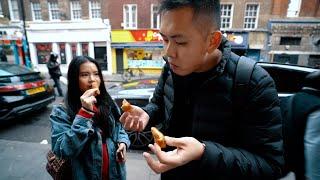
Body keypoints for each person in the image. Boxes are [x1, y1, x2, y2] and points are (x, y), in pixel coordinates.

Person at [120, 0, 284, 179]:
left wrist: (204, 152)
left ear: (212, 41)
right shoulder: (171, 68)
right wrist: (148, 114)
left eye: (180, 42)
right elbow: (159, 103)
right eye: (164, 39)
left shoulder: (253, 82)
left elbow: (270, 166)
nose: (168, 52)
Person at [49, 56, 130, 179]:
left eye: (96, 74)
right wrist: (85, 113)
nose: (92, 80)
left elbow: (118, 126)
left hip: (114, 173)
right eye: (84, 75)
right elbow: (62, 149)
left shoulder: (107, 102)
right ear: (74, 79)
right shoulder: (62, 110)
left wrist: (123, 142)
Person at [282, 70, 320, 180]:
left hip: (283, 166)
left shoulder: (287, 100)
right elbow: (314, 148)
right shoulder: (316, 108)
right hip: (301, 170)